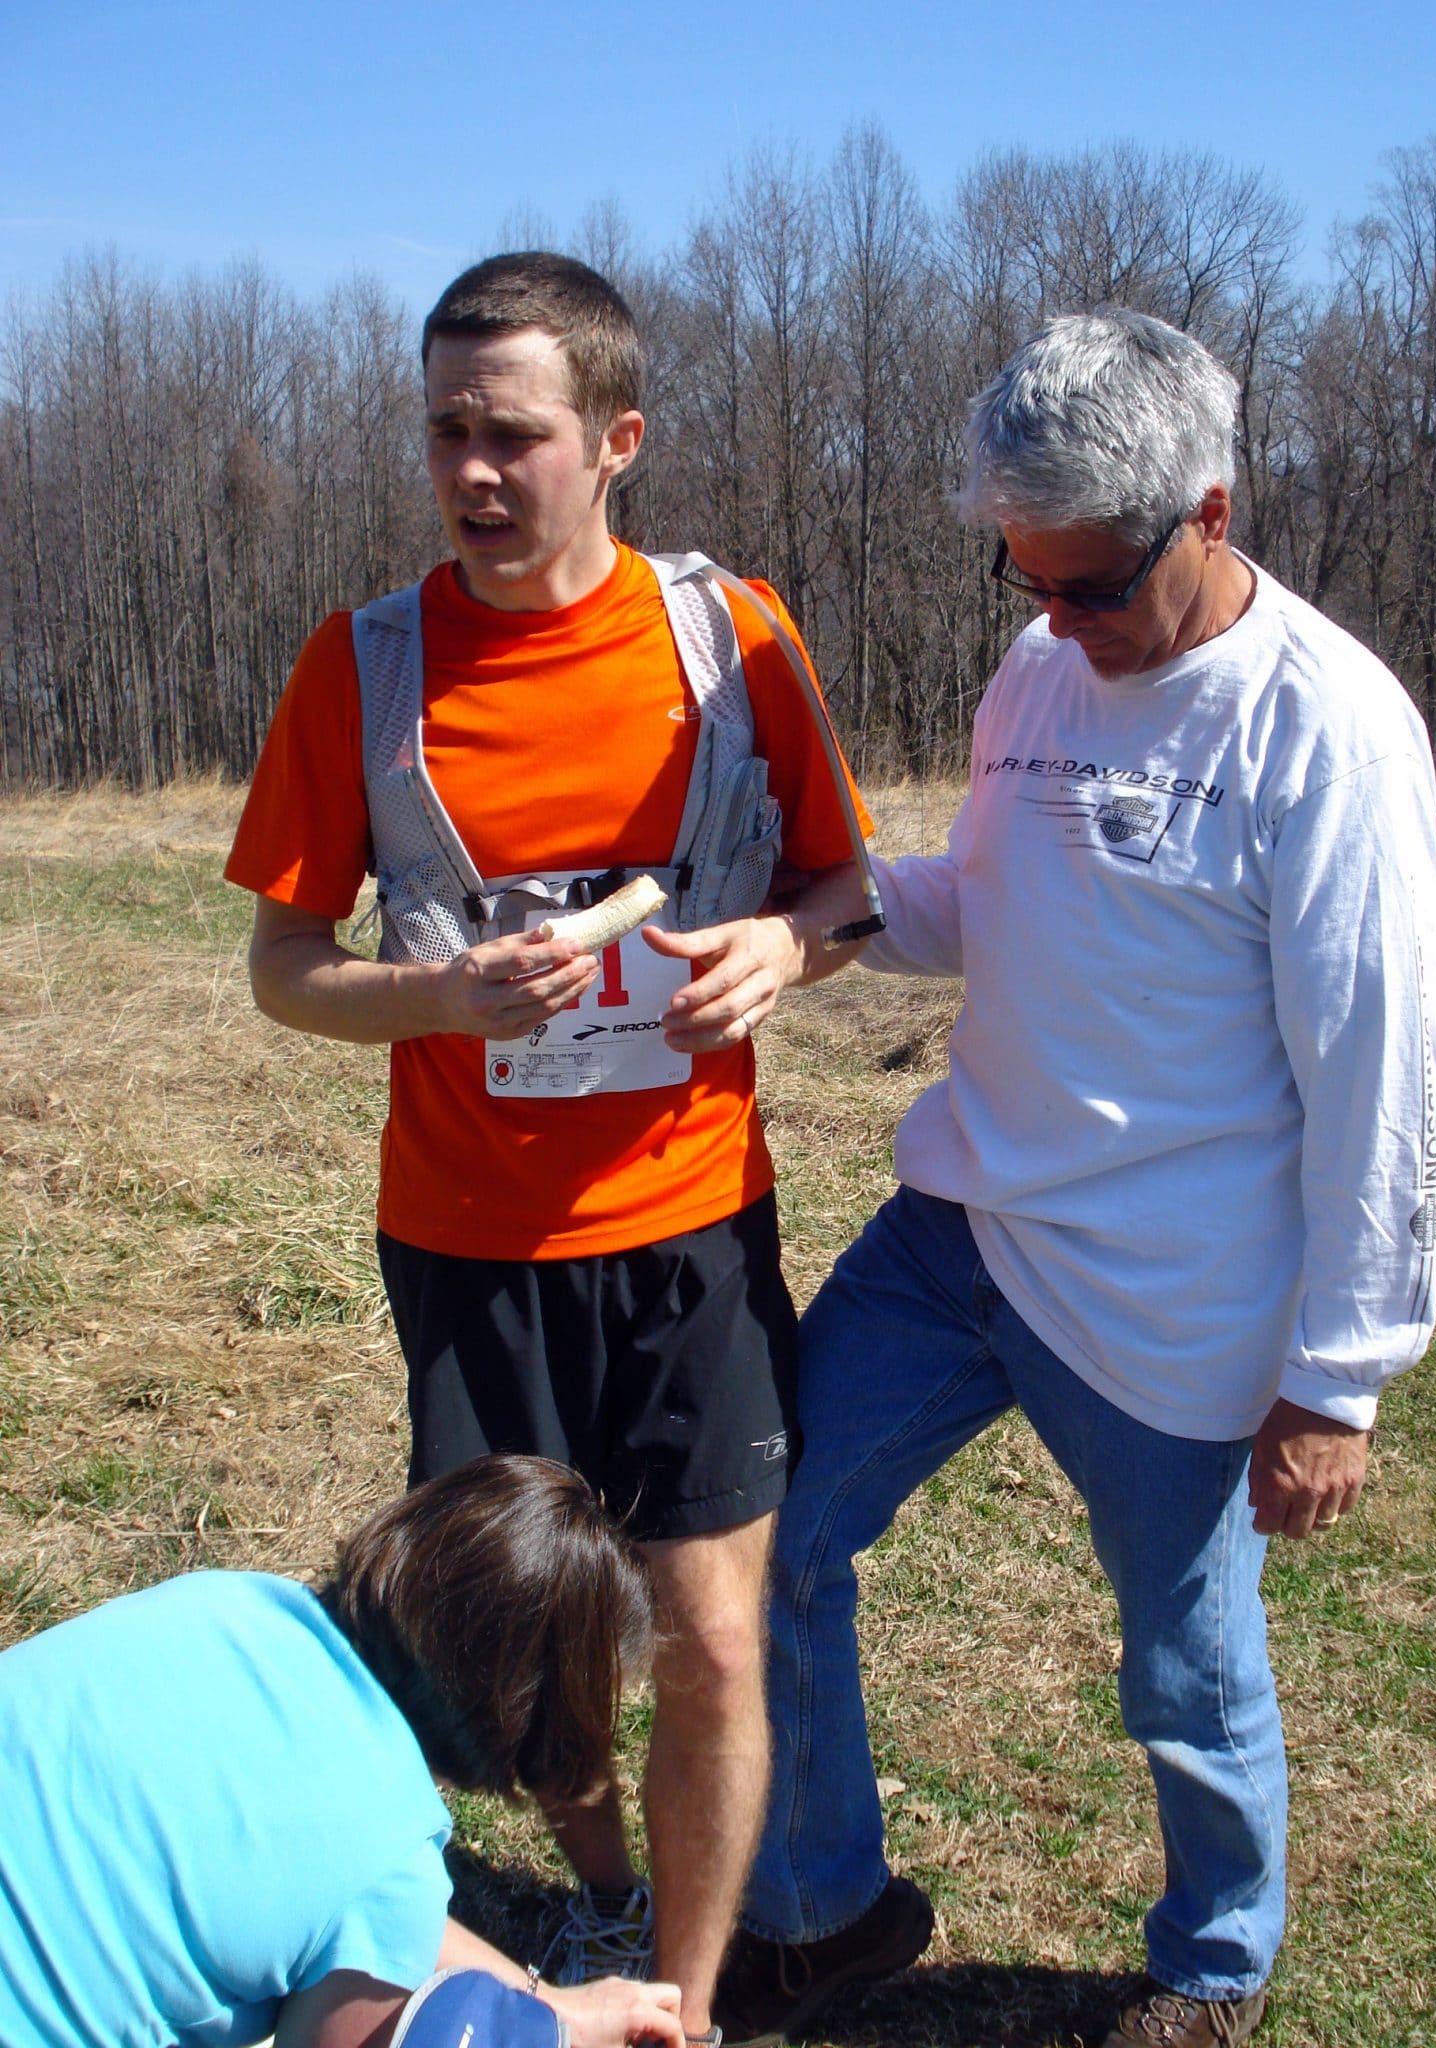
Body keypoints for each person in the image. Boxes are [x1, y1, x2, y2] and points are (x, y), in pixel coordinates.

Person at [666, 309, 1436, 2048]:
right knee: (768, 1540)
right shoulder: (1036, 672)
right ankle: (824, 1904)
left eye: (1095, 584)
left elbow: (1380, 1070)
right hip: (961, 1231)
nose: (1060, 621)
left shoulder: (1321, 727)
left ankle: (1215, 1958)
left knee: (1183, 1667)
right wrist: (817, 921)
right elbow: (989, 898)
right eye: (1028, 581)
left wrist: (1337, 1378)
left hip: (1175, 1289)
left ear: (1213, 511)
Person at [224, 251, 868, 2045]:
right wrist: (435, 1003)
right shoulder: (363, 665)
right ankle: (599, 1894)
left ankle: (690, 1996)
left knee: (720, 1641)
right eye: (446, 432)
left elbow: (842, 886)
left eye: (513, 433)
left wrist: (784, 948)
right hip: (467, 1245)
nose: (472, 472)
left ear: (618, 439)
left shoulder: (732, 640)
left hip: (691, 1230)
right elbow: (282, 970)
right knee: (536, 1669)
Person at [0, 1453, 685, 2048]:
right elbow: (368, 1905)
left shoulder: (224, 1599)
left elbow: (358, 1915)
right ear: (537, 1717)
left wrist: (555, 2008)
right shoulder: (382, 1861)